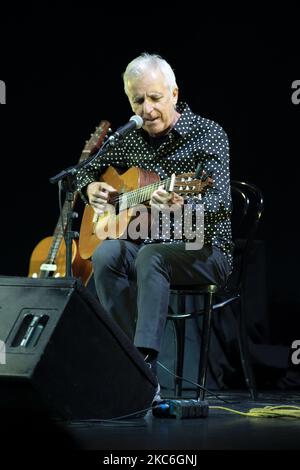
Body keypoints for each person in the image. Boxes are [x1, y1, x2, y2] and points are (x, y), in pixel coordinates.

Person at [75, 52, 233, 384]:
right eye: (138, 100)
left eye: (155, 98)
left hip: (203, 247)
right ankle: (124, 355)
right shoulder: (129, 138)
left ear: (174, 94)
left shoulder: (207, 133)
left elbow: (219, 202)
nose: (147, 109)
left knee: (151, 256)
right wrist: (91, 188)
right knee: (105, 253)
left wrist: (182, 208)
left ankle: (143, 371)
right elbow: (84, 170)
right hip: (148, 243)